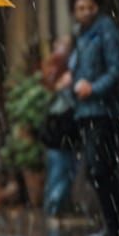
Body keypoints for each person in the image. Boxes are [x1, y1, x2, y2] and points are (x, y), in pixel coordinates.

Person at [68, 0, 119, 236]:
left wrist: (93, 88)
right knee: (102, 170)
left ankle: (116, 226)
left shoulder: (106, 31)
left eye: (89, 7)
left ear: (97, 7)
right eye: (79, 8)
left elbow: (118, 69)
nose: (84, 13)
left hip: (105, 112)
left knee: (99, 170)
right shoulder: (82, 35)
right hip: (87, 113)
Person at [41, 36, 78, 218]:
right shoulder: (58, 66)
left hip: (64, 129)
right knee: (60, 172)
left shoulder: (68, 65)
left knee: (62, 171)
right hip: (61, 129)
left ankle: (56, 209)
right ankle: (53, 210)